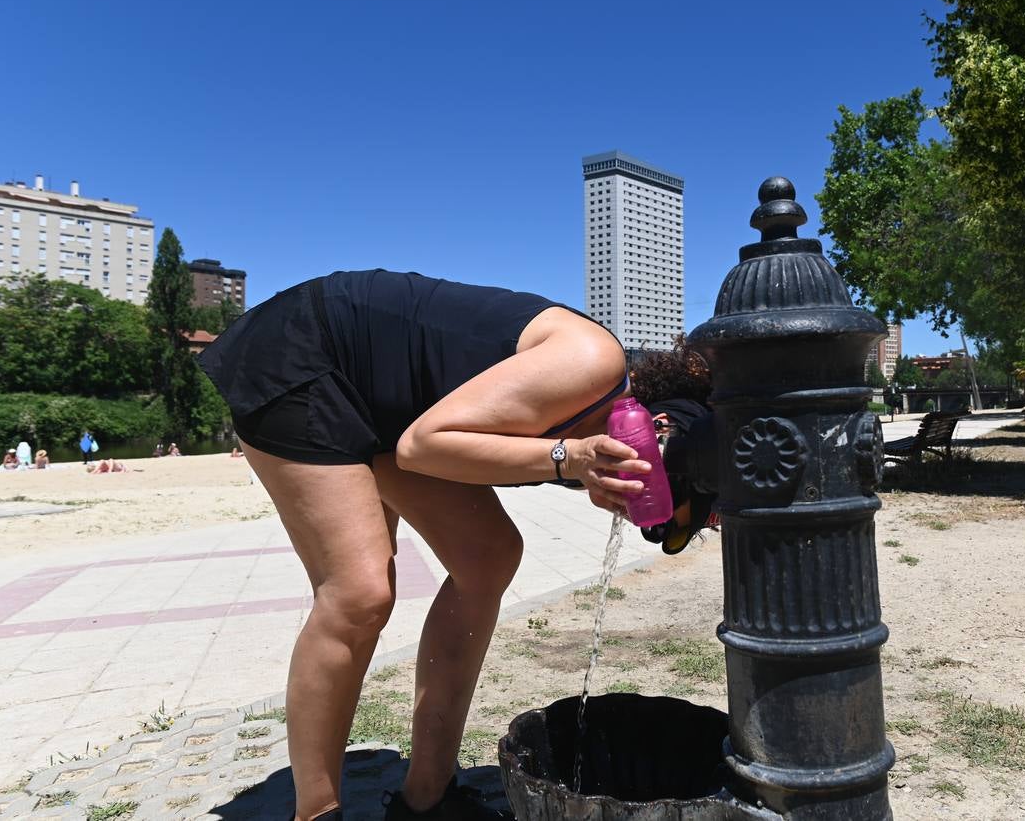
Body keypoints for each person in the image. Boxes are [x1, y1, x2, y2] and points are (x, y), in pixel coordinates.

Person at [197, 270, 714, 821]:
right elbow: (425, 447)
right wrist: (571, 457)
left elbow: (426, 443)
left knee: (487, 557)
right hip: (305, 351)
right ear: (655, 436)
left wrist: (576, 459)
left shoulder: (602, 437)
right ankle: (316, 813)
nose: (636, 519)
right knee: (359, 593)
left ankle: (428, 798)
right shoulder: (592, 361)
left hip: (393, 410)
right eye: (651, 509)